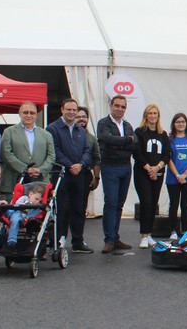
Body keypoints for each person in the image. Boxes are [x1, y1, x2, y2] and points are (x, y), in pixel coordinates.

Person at [46, 98, 93, 253]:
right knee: (60, 209)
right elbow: (55, 151)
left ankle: (78, 241)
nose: (72, 112)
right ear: (62, 110)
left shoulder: (81, 130)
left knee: (78, 209)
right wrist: (70, 165)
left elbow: (88, 150)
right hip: (61, 175)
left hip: (79, 175)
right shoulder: (52, 128)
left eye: (74, 110)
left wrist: (81, 164)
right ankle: (58, 240)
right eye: (69, 109)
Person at [97, 95, 137, 253]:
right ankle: (109, 239)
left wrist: (119, 144)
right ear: (111, 106)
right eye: (117, 106)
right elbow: (107, 140)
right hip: (110, 167)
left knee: (119, 204)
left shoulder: (127, 125)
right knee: (111, 203)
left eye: (123, 107)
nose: (120, 109)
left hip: (126, 167)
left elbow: (135, 145)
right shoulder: (103, 123)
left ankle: (115, 237)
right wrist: (127, 141)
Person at [132, 104, 170, 248]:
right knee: (146, 202)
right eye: (150, 113)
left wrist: (157, 167)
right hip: (143, 173)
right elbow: (137, 152)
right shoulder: (140, 132)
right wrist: (149, 169)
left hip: (158, 173)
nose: (153, 116)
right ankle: (144, 235)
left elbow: (167, 154)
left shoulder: (163, 134)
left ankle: (150, 234)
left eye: (155, 113)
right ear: (146, 116)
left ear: (158, 116)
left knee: (153, 204)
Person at [0, 102, 56, 198]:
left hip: (40, 183)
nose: (29, 115)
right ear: (19, 113)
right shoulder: (9, 132)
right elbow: (6, 154)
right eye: (25, 112)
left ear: (36, 115)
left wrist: (41, 170)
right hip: (15, 181)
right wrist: (24, 169)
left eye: (32, 113)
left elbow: (51, 156)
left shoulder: (46, 135)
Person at [166, 113, 187, 239]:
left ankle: (184, 230)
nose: (181, 124)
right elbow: (168, 159)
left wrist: (185, 174)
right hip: (173, 178)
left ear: (186, 124)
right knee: (174, 204)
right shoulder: (169, 139)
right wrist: (178, 175)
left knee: (185, 205)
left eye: (183, 122)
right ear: (174, 124)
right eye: (178, 122)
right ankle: (173, 231)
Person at [76, 106, 101, 215]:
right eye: (78, 117)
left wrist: (96, 178)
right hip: (70, 174)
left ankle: (79, 232)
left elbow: (96, 158)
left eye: (84, 117)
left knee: (81, 208)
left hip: (85, 175)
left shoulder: (91, 138)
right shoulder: (68, 136)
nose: (81, 119)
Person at [6, 183, 46, 248]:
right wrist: (26, 205)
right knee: (16, 218)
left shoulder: (37, 206)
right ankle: (12, 239)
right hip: (18, 213)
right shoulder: (24, 198)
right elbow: (17, 204)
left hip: (27, 219)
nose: (37, 202)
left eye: (39, 201)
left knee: (37, 209)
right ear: (30, 194)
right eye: (36, 199)